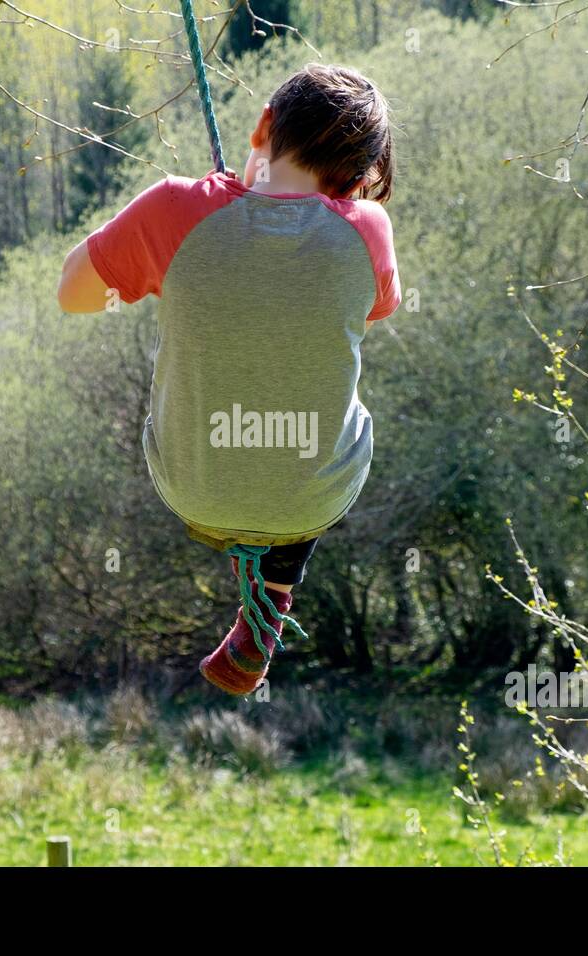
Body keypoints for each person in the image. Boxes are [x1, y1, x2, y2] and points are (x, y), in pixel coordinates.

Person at [58, 64, 401, 694]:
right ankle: (271, 601)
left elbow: (73, 294)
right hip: (312, 500)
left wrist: (168, 235)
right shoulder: (368, 232)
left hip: (192, 483)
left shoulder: (176, 209)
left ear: (263, 126)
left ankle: (263, 602)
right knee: (330, 407)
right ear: (358, 180)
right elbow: (373, 309)